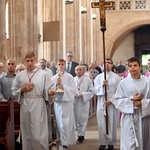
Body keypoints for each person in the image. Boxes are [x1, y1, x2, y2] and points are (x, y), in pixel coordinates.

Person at [11, 51, 53, 150]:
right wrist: (22, 89)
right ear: (25, 61)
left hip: (38, 104)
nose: (30, 63)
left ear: (36, 60)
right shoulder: (20, 75)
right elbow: (13, 91)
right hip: (25, 105)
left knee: (38, 134)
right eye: (27, 61)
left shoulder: (43, 74)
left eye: (32, 61)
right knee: (26, 133)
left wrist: (50, 92)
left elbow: (49, 88)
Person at [114, 57, 150, 150]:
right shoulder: (123, 83)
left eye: (135, 65)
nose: (132, 68)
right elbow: (117, 100)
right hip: (128, 118)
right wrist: (132, 101)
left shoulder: (147, 82)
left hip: (143, 117)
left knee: (144, 142)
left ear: (140, 67)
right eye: (130, 66)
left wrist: (142, 103)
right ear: (128, 68)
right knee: (129, 144)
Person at [49, 59, 77, 150]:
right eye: (59, 64)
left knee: (66, 123)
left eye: (62, 64)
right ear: (57, 66)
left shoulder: (70, 77)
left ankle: (66, 142)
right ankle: (62, 141)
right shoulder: (53, 78)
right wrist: (56, 86)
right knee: (60, 123)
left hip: (67, 103)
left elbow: (73, 90)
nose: (60, 66)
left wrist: (62, 87)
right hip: (58, 103)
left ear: (65, 65)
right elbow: (50, 90)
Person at [94, 58, 120, 150]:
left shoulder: (116, 77)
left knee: (112, 123)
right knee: (101, 123)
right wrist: (102, 85)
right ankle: (102, 142)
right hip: (101, 103)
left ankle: (111, 143)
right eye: (105, 62)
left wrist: (111, 100)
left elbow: (119, 91)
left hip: (112, 103)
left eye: (109, 63)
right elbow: (95, 90)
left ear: (112, 65)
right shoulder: (98, 77)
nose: (107, 64)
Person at [74, 65, 94, 143]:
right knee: (76, 118)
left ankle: (81, 135)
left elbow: (91, 91)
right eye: (77, 70)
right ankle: (78, 133)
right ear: (75, 71)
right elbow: (70, 90)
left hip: (84, 101)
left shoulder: (88, 80)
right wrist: (74, 94)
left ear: (84, 71)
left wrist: (83, 94)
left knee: (83, 118)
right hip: (75, 101)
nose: (78, 71)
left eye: (80, 70)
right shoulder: (72, 79)